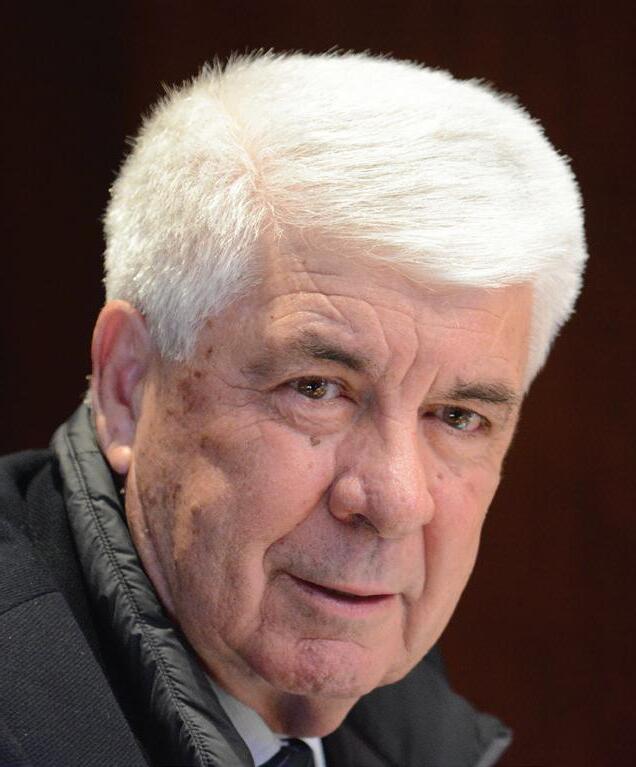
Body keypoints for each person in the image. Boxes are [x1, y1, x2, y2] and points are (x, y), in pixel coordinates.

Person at [0, 51, 586, 767]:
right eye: (317, 389)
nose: (396, 501)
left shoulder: (423, 740)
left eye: (459, 417)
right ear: (129, 386)